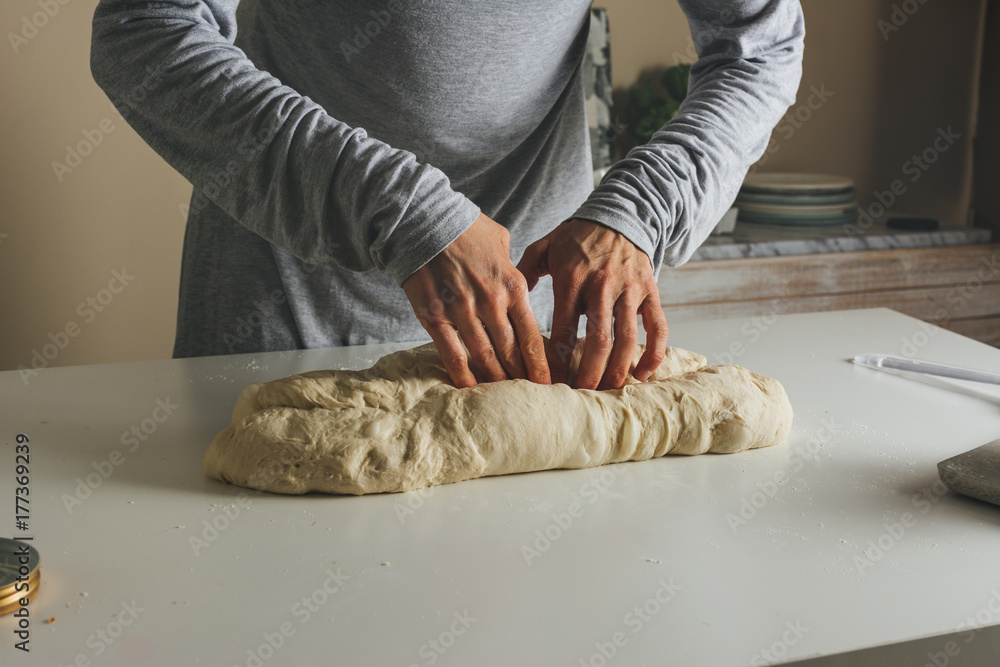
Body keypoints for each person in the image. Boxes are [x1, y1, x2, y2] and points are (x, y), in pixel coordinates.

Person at [90, 0, 804, 390]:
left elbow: (761, 47)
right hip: (286, 335)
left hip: (530, 358)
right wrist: (402, 209)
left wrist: (641, 208)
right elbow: (144, 30)